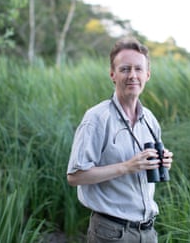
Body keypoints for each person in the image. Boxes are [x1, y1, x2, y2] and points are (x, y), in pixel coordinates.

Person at [66, 36, 174, 242]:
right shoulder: (96, 118)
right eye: (125, 69)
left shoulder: (150, 120)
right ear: (112, 74)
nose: (132, 75)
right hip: (111, 233)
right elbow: (75, 176)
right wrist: (127, 166)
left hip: (148, 232)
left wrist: (162, 161)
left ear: (148, 75)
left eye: (138, 69)